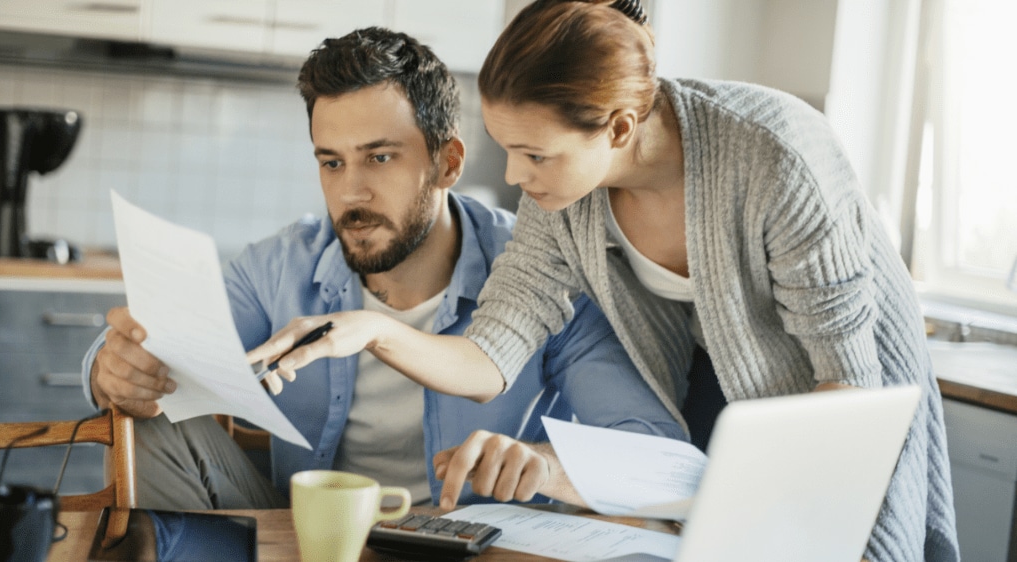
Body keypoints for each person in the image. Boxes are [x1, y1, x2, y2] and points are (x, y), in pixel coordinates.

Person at [247, 2, 959, 560]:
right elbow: (492, 353)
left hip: (839, 392)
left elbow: (845, 389)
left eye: (534, 155)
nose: (516, 179)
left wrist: (805, 516)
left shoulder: (774, 159)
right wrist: (375, 331)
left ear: (618, 129)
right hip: (715, 390)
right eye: (507, 150)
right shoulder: (562, 200)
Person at [84, 26, 683, 511]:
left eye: (379, 157)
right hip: (310, 539)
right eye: (332, 163)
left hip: (471, 547)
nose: (352, 192)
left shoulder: (543, 274)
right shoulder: (279, 265)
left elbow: (655, 452)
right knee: (147, 423)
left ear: (447, 163)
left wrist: (545, 465)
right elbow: (162, 359)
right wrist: (112, 371)